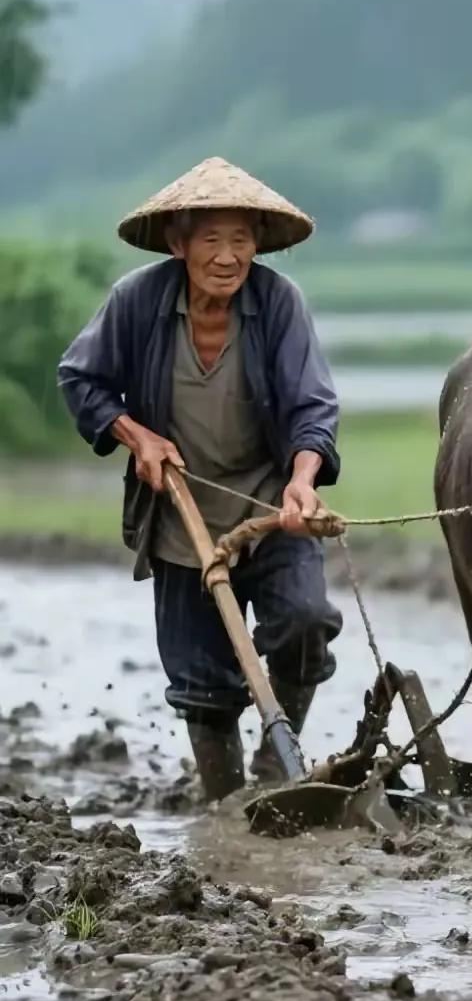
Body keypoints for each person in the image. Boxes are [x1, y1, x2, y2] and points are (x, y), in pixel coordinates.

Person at [57, 156, 343, 800]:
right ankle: (222, 807)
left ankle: (279, 766)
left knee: (303, 623)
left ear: (257, 246)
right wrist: (137, 435)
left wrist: (303, 479)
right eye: (211, 238)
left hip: (271, 510)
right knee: (202, 685)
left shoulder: (278, 305)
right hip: (181, 519)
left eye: (241, 239)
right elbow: (81, 378)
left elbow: (312, 406)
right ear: (178, 243)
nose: (227, 255)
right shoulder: (137, 301)